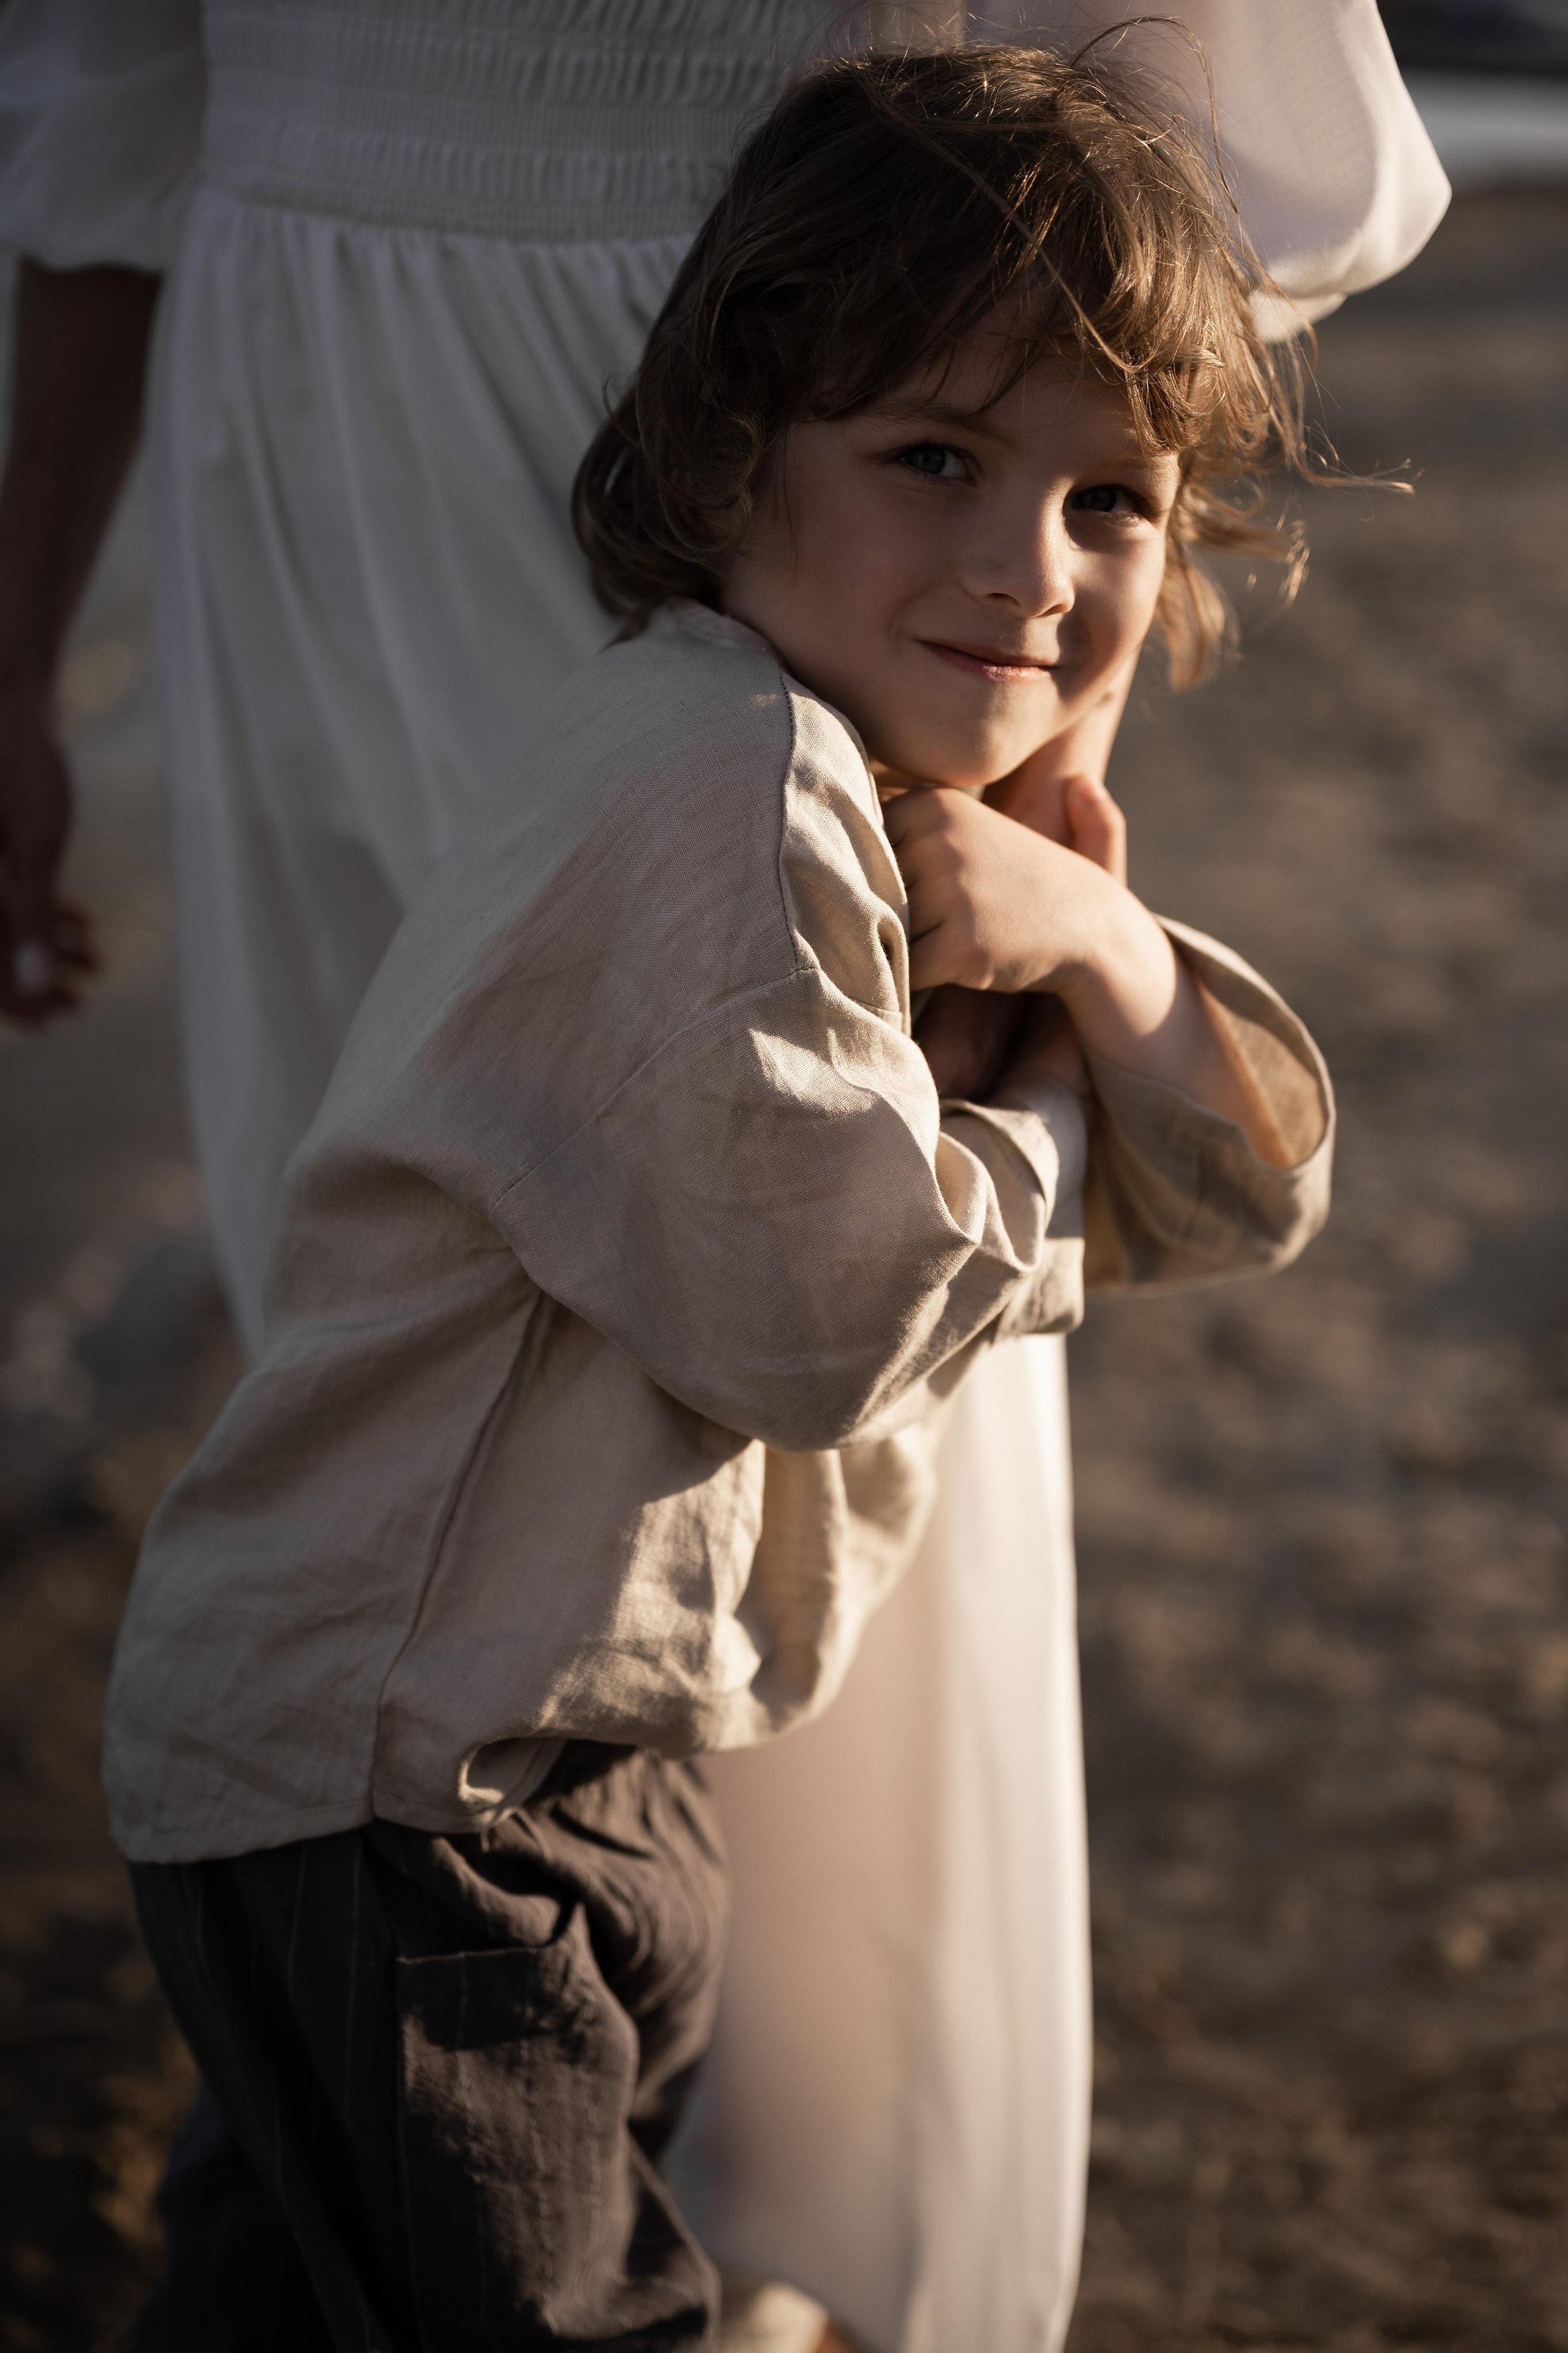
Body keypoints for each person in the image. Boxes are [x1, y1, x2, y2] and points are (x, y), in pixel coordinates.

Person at [0, 7, 1447, 2349]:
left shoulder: (846, 751)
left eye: (1117, 500)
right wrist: (1058, 1079)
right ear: (730, 459)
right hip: (397, 1791)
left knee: (305, 2265)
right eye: (945, 461)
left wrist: (1094, 936)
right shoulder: (706, 797)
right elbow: (827, 1310)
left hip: (556, 1756)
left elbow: (1249, 1191)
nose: (1039, 573)